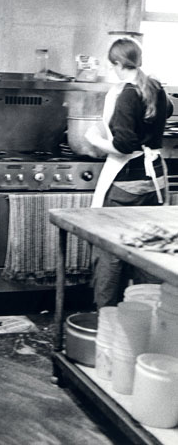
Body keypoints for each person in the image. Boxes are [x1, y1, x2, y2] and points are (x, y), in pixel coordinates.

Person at [84, 37, 173, 310]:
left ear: (119, 63)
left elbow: (124, 145)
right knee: (150, 248)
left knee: (110, 250)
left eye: (112, 65)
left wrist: (94, 140)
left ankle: (107, 315)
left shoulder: (126, 94)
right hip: (155, 178)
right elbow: (167, 111)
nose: (112, 70)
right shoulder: (155, 87)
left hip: (128, 181)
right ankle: (149, 315)